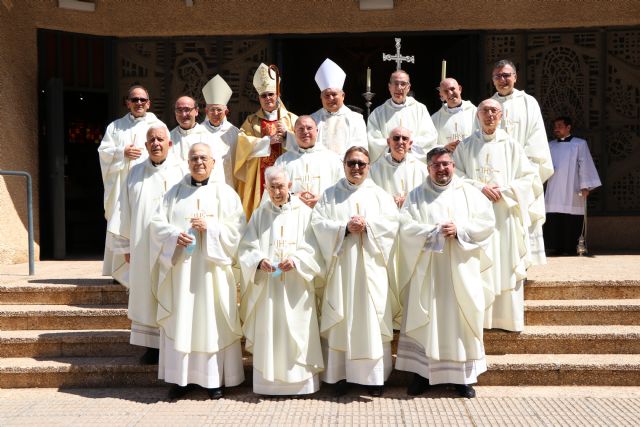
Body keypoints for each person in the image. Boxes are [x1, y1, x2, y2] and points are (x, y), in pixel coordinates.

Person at [395, 147, 495, 399]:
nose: (442, 169)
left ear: (453, 165)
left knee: (460, 319)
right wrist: (432, 232)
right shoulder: (416, 195)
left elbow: (486, 224)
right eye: (436, 165)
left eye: (446, 164)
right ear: (428, 168)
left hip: (461, 270)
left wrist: (459, 229)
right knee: (427, 319)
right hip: (428, 272)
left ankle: (462, 378)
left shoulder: (470, 193)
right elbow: (405, 227)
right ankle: (422, 375)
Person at [149, 143, 245, 400]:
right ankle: (181, 380)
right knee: (183, 320)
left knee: (211, 322)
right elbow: (156, 225)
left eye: (203, 157)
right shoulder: (173, 194)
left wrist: (211, 228)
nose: (199, 162)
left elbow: (238, 231)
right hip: (181, 272)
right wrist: (172, 236)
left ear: (213, 162)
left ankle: (214, 380)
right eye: (194, 158)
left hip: (211, 273)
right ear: (187, 162)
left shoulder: (226, 194)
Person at [311, 146, 399, 397]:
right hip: (342, 270)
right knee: (343, 315)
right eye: (352, 163)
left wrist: (369, 226)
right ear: (344, 165)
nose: (356, 168)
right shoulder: (330, 195)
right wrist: (344, 228)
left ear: (369, 166)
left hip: (371, 270)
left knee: (371, 318)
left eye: (361, 163)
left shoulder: (380, 196)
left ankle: (374, 378)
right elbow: (318, 223)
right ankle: (341, 376)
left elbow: (392, 224)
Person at [453, 99, 541, 332]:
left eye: (494, 111)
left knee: (505, 261)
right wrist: (479, 187)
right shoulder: (466, 146)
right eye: (485, 111)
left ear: (500, 115)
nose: (489, 115)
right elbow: (456, 177)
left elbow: (528, 179)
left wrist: (505, 191)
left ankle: (507, 319)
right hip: (476, 216)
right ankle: (480, 319)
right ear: (478, 115)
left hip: (505, 214)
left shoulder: (512, 145)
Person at [238, 166, 324, 396]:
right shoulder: (260, 213)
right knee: (271, 329)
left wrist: (297, 260)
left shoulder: (305, 213)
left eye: (281, 186)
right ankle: (269, 383)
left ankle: (301, 383)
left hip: (297, 286)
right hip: (269, 286)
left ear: (290, 187)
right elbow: (247, 246)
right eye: (272, 187)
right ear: (266, 187)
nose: (277, 191)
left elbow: (314, 247)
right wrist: (258, 260)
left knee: (299, 329)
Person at [107, 124, 185, 365]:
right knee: (145, 293)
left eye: (160, 139)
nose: (156, 144)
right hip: (142, 245)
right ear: (145, 145)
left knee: (170, 291)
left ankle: (172, 342)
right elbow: (124, 210)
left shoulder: (182, 171)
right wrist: (125, 246)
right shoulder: (135, 173)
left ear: (169, 143)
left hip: (172, 248)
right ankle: (152, 347)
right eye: (151, 140)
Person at [491, 59, 553, 265]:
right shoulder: (488, 106)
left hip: (521, 176)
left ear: (515, 77)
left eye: (507, 75)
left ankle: (524, 266)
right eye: (498, 76)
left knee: (523, 222)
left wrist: (520, 170)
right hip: (497, 177)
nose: (502, 80)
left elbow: (537, 141)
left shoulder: (528, 103)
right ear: (493, 80)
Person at [98, 85, 164, 279]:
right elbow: (103, 152)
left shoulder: (157, 125)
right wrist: (122, 152)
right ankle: (120, 274)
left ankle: (146, 272)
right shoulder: (115, 126)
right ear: (128, 103)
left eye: (142, 100)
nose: (139, 103)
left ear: (149, 103)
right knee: (122, 222)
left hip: (147, 185)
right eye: (134, 100)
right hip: (122, 186)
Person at [235, 63, 298, 219]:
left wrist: (287, 136)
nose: (268, 98)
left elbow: (304, 146)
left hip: (286, 173)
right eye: (264, 96)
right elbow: (242, 143)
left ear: (278, 95)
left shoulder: (291, 119)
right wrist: (266, 142)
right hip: (260, 176)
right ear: (259, 98)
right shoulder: (251, 121)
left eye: (271, 94)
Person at [544, 116, 601, 255]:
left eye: (559, 125)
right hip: (554, 186)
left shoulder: (579, 144)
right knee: (554, 215)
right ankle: (556, 247)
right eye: (555, 126)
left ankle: (571, 247)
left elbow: (585, 164)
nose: (556, 128)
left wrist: (586, 185)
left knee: (571, 217)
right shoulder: (550, 145)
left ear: (568, 127)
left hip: (572, 187)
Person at [367, 70, 438, 163]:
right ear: (389, 87)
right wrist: (394, 147)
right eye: (395, 83)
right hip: (388, 164)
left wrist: (407, 144)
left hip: (414, 164)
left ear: (408, 87)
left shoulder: (420, 109)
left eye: (403, 84)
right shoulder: (377, 113)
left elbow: (430, 137)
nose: (399, 87)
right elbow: (373, 140)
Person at [273, 115, 343, 209]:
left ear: (317, 131)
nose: (305, 132)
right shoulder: (282, 162)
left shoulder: (333, 159)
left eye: (309, 128)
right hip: (294, 215)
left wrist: (322, 199)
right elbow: (273, 190)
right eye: (300, 129)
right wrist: (292, 198)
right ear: (294, 132)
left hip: (323, 213)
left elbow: (341, 189)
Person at [310, 58, 367, 157]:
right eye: (327, 95)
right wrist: (287, 137)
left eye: (334, 94)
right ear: (321, 98)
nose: (330, 98)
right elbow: (303, 144)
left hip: (345, 169)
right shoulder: (312, 119)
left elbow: (360, 149)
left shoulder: (355, 119)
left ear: (343, 95)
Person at [169, 96, 225, 183]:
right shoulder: (168, 138)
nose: (183, 114)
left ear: (196, 111)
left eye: (187, 109)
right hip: (175, 191)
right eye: (179, 110)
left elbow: (217, 171)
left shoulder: (209, 138)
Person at [369, 126, 429, 209]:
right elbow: (371, 196)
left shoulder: (421, 168)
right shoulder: (375, 169)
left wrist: (409, 200)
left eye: (405, 139)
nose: (400, 142)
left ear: (410, 144)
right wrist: (390, 201)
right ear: (388, 142)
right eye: (396, 138)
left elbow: (427, 195)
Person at [201, 74, 240, 188]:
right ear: (206, 111)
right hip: (205, 185)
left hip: (228, 184)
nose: (216, 114)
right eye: (212, 110)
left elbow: (246, 152)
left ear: (226, 112)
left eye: (219, 110)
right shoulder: (198, 131)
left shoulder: (234, 132)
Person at [430, 78, 477, 151]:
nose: (450, 93)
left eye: (452, 89)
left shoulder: (475, 112)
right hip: (447, 159)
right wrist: (444, 147)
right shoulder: (435, 118)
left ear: (460, 89)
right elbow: (429, 144)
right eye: (445, 91)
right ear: (441, 95)